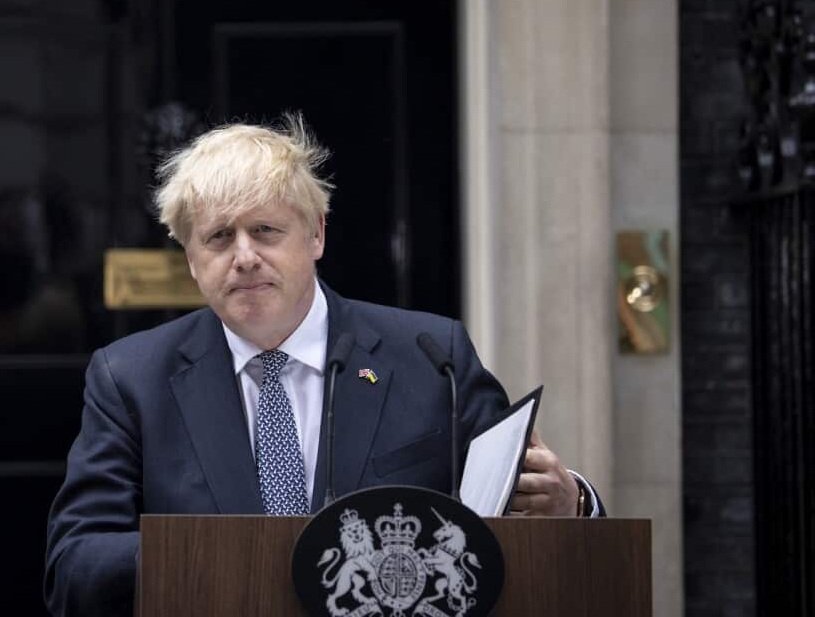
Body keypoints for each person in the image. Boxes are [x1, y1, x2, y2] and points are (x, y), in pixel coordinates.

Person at [43, 117, 602, 616]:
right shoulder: (130, 379)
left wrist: (570, 504)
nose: (244, 256)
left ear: (316, 234)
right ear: (191, 259)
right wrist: (217, 556)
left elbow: (510, 521)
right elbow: (74, 566)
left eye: (265, 230)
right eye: (218, 237)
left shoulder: (433, 356)